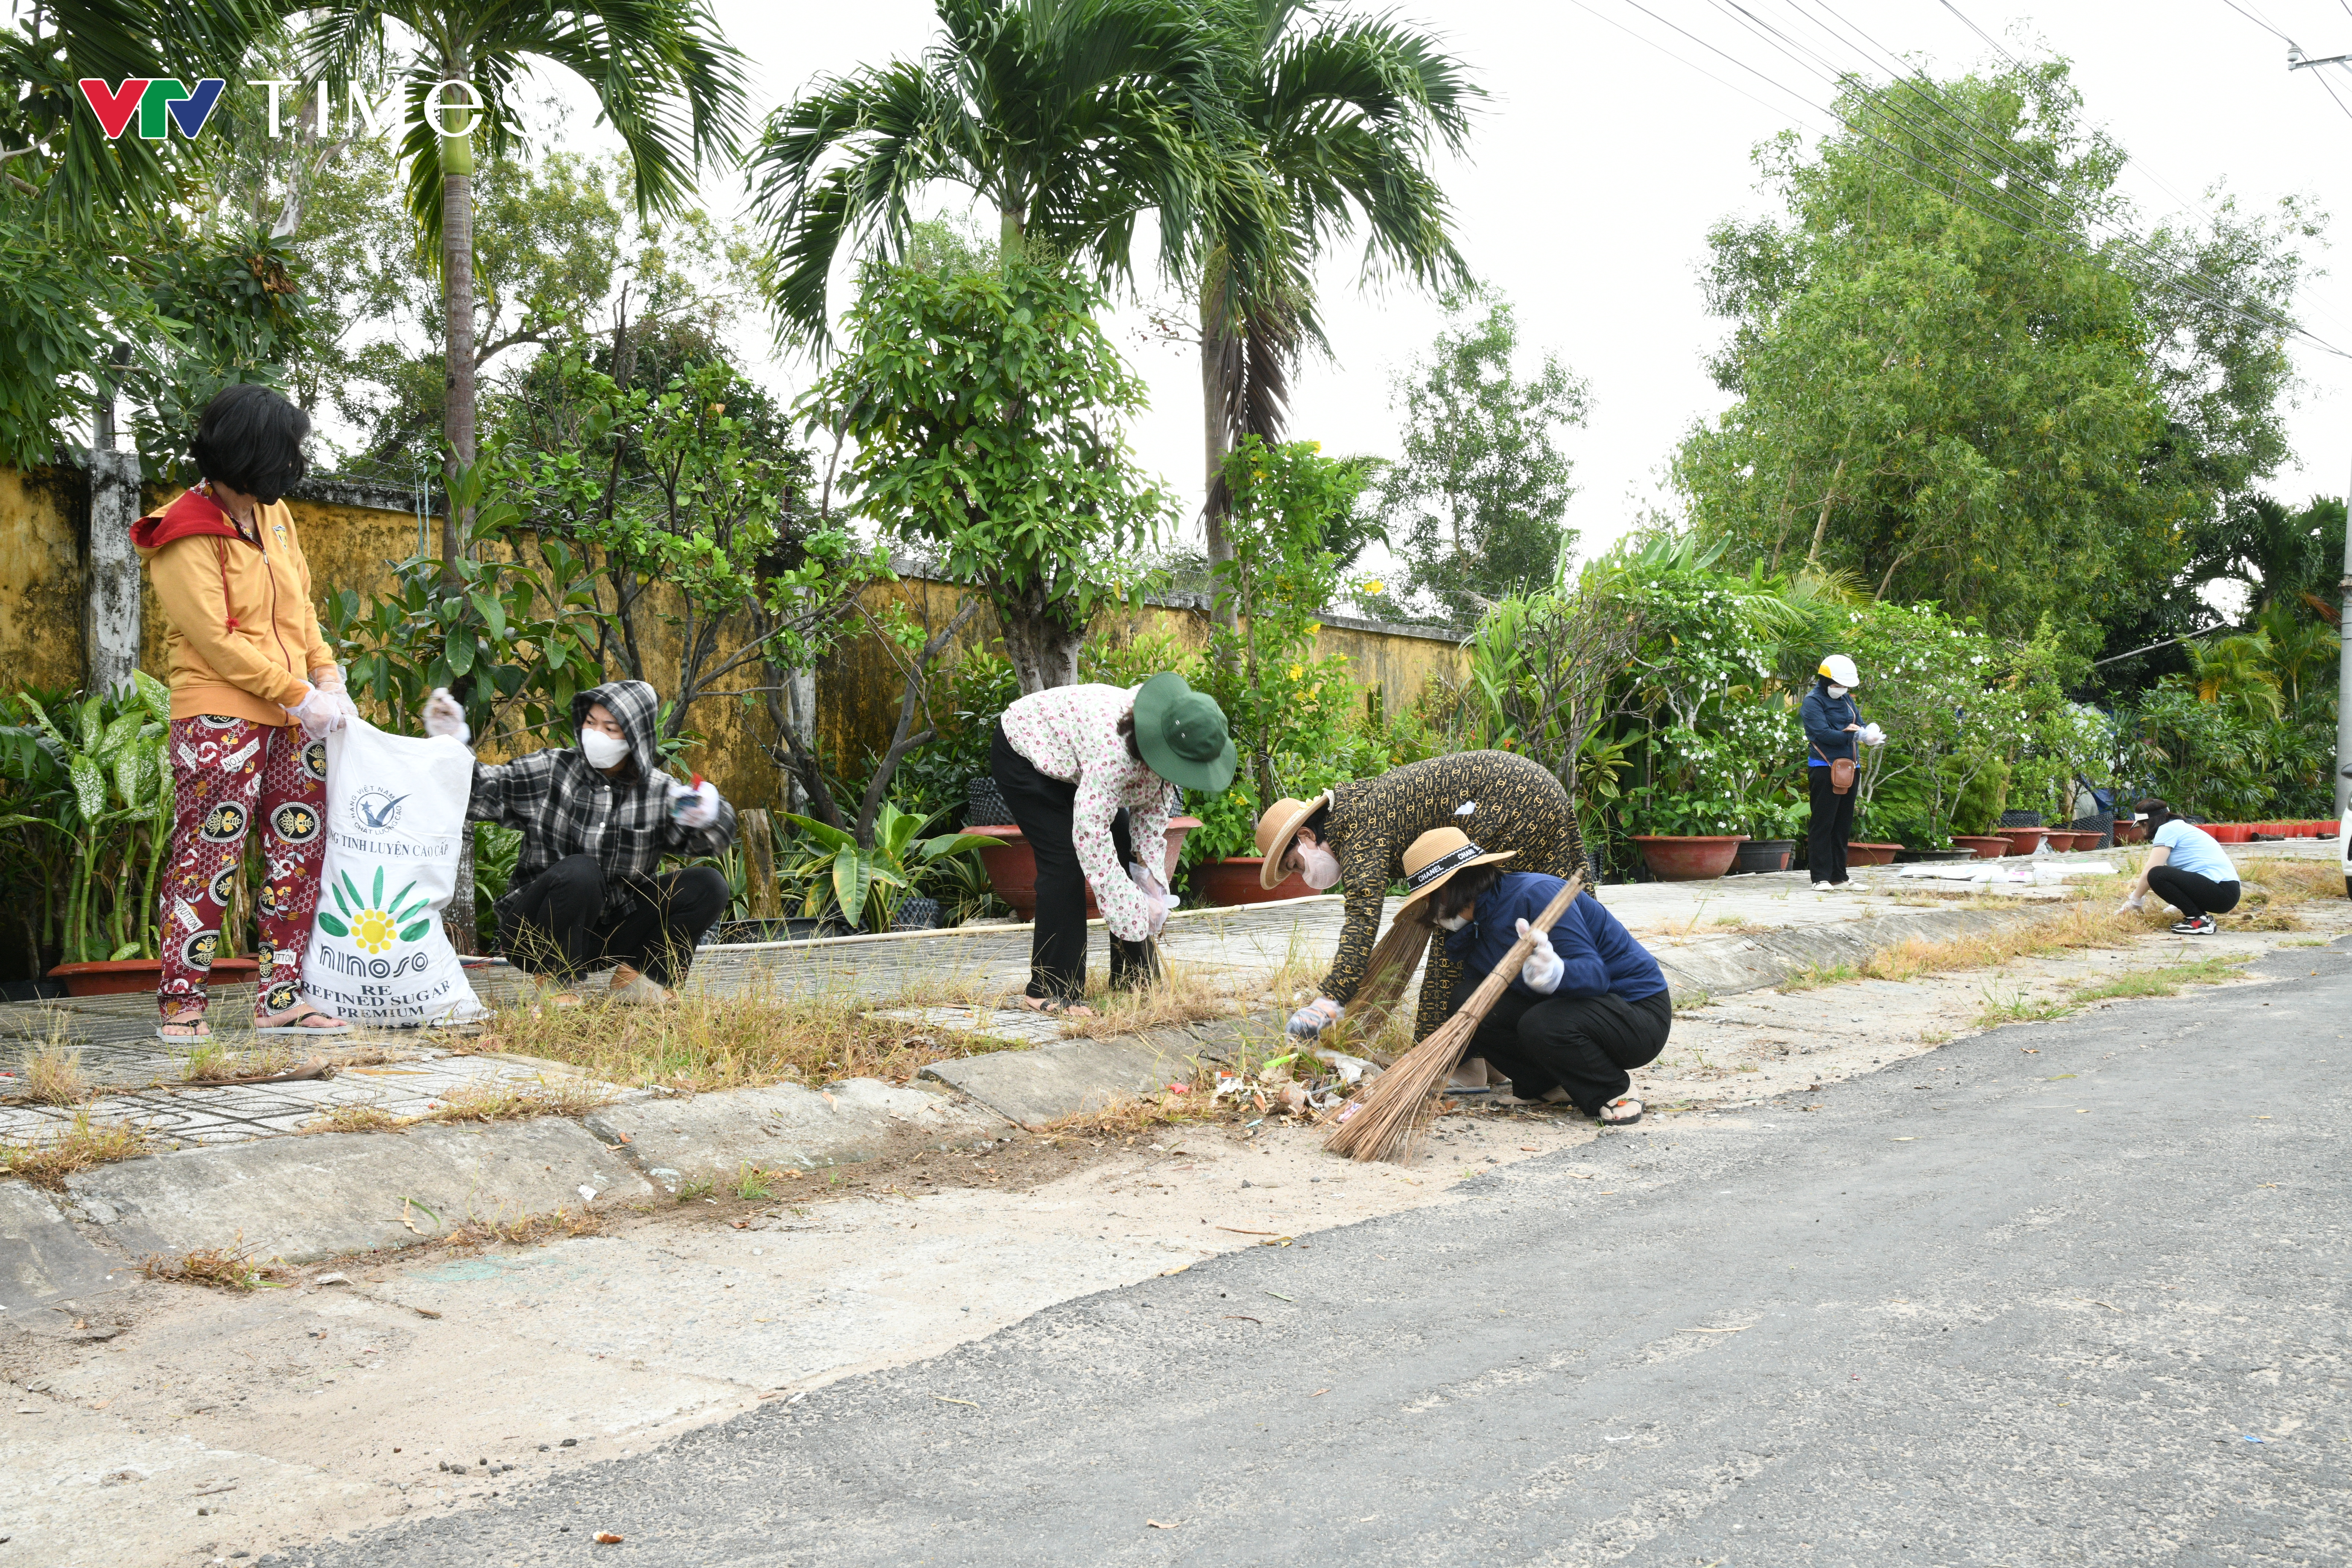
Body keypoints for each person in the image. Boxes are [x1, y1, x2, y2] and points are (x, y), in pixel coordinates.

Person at [133, 384, 358, 1043]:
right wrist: (298, 694)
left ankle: (282, 996)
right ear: (252, 451)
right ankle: (182, 1001)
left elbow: (302, 608)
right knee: (211, 854)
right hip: (220, 714)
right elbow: (216, 640)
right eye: (287, 449)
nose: (295, 462)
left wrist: (327, 676)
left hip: (297, 715)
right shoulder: (183, 529)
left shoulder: (276, 514)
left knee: (298, 850)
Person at [423, 680, 735, 1004]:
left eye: (610, 728)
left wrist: (709, 814)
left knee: (708, 884)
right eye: (591, 723)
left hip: (611, 930)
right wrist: (449, 742)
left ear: (635, 736)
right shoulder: (552, 769)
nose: (596, 734)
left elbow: (708, 843)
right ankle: (555, 984)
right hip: (537, 931)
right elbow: (480, 792)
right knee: (581, 871)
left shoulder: (658, 793)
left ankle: (642, 980)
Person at [1255, 751, 1586, 1046]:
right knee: (1565, 915)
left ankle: (1454, 1059)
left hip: (1512, 800)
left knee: (1464, 932)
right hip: (1532, 787)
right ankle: (1520, 1057)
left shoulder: (1356, 829)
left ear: (1307, 836)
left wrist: (1331, 999)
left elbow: (1362, 916)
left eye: (1296, 865)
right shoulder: (1353, 809)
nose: (1304, 875)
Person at [989, 673, 1235, 1016]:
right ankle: (1050, 988)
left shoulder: (1167, 747)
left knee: (1123, 848)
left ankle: (1136, 982)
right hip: (1027, 752)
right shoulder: (1115, 754)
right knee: (1065, 860)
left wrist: (1152, 893)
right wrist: (1131, 909)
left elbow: (1148, 827)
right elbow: (1090, 836)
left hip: (1075, 759)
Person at [1398, 826, 1670, 1126]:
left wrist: (1558, 973)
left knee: (1542, 1022)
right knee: (1470, 999)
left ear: (1450, 888)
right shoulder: (1476, 930)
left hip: (1635, 1016)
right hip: (1568, 1012)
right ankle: (1547, 1086)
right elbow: (1492, 1008)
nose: (1430, 910)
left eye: (1429, 899)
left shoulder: (1536, 894)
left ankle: (1614, 1090)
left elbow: (1595, 976)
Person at [1800, 654, 1884, 891]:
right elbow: (1823, 734)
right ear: (1826, 681)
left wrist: (1868, 734)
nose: (1841, 689)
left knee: (1843, 824)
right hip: (1824, 768)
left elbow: (1860, 723)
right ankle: (1820, 878)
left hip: (1850, 766)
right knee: (1823, 823)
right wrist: (1854, 734)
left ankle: (1840, 876)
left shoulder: (1847, 700)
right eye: (1837, 685)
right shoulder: (1813, 702)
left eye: (1845, 686)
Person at [2118, 798, 2240, 935]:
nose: (2142, 831)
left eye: (2141, 826)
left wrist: (2136, 900)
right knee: (2162, 873)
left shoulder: (2167, 830)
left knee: (2157, 874)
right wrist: (2179, 903)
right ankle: (2201, 919)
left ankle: (2198, 921)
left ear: (2146, 823)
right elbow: (2185, 875)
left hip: (2221, 891)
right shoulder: (2178, 827)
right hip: (2227, 891)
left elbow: (2150, 870)